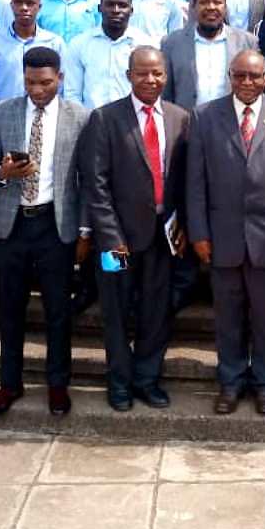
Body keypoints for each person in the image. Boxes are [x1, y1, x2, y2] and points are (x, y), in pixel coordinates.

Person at [187, 50, 265, 415]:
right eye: (240, 75)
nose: (247, 82)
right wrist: (198, 233)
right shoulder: (206, 116)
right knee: (228, 317)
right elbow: (196, 182)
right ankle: (231, 382)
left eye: (255, 76)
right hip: (222, 236)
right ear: (230, 76)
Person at [0, 46, 90, 418]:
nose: (38, 90)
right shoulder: (3, 112)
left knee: (58, 312)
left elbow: (88, 180)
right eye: (30, 82)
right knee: (10, 310)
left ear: (60, 78)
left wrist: (85, 231)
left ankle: (57, 385)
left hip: (55, 226)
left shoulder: (80, 117)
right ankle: (9, 385)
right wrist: (1, 174)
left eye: (45, 82)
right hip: (11, 224)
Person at [85, 46, 192, 411]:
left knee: (155, 311)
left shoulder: (180, 118)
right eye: (142, 73)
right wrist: (111, 238)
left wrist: (184, 225)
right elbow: (95, 185)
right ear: (129, 75)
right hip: (116, 242)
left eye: (157, 73)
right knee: (114, 311)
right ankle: (119, 383)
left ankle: (147, 380)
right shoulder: (105, 118)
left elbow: (183, 180)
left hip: (162, 238)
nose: (150, 80)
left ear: (165, 75)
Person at [162, 0, 257, 111]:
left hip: (232, 124)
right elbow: (166, 94)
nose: (211, 7)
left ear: (225, 7)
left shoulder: (247, 43)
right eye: (204, 2)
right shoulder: (171, 43)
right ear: (194, 7)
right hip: (187, 125)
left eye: (217, 2)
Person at [0, 0, 66, 116]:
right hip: (4, 117)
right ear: (11, 5)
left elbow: (61, 87)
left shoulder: (54, 42)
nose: (24, 8)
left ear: (39, 7)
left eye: (30, 3)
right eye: (18, 2)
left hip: (45, 117)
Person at [64, 0, 156, 112]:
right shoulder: (79, 44)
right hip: (91, 122)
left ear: (131, 10)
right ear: (99, 8)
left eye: (122, 5)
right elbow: (72, 93)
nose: (116, 10)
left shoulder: (145, 45)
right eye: (110, 5)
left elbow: (151, 90)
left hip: (132, 124)